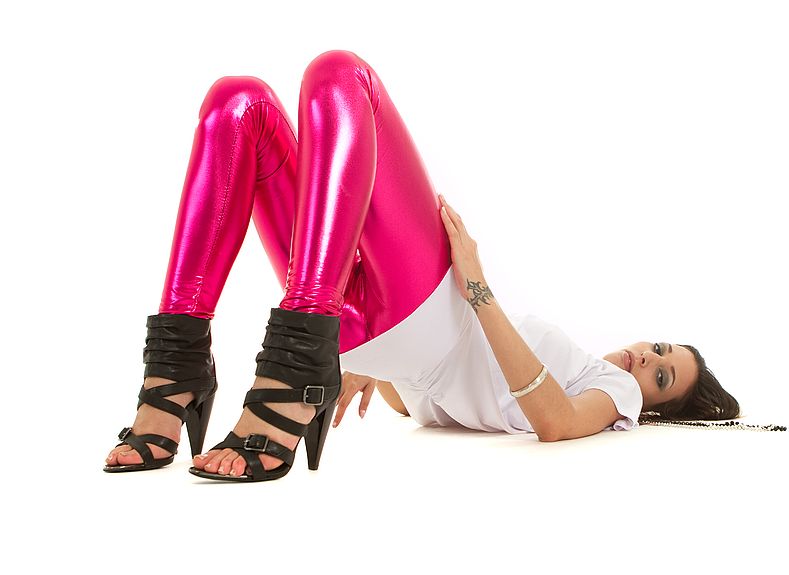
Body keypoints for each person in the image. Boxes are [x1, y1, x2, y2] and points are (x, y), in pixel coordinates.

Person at [103, 49, 741, 484]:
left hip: (425, 307)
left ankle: (281, 370)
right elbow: (429, 395)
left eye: (662, 377)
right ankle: (177, 370)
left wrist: (477, 286)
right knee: (236, 103)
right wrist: (362, 371)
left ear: (651, 407)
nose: (644, 362)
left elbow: (556, 424)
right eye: (659, 349)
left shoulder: (612, 393)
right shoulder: (581, 368)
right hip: (361, 330)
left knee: (341, 74)